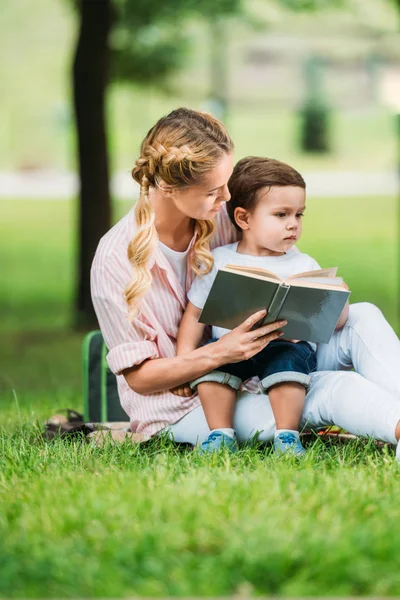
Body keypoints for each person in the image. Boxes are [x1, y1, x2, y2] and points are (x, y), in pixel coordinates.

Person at [90, 107, 400, 462]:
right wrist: (222, 352)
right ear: (167, 186)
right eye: (213, 191)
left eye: (226, 185)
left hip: (273, 356)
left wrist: (314, 303)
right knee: (332, 389)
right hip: (190, 404)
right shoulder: (116, 259)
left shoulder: (222, 218)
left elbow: (280, 272)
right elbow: (140, 379)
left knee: (363, 315)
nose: (226, 200)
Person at [177, 157, 349, 456]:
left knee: (288, 363)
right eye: (281, 214)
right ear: (243, 219)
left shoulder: (303, 263)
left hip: (286, 346)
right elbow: (194, 314)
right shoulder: (220, 260)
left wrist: (338, 297)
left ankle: (287, 435)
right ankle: (220, 434)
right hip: (230, 345)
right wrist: (185, 359)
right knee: (213, 367)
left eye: (299, 214)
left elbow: (334, 320)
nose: (293, 224)